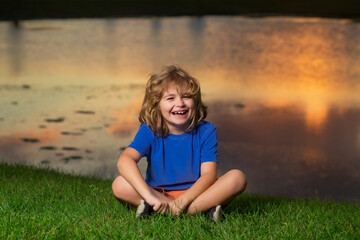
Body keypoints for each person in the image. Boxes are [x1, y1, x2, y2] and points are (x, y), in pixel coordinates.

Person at [112, 65, 247, 221]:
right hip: (159, 193)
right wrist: (149, 195)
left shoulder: (207, 130)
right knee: (120, 185)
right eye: (171, 98)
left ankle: (161, 210)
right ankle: (200, 211)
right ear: (157, 104)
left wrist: (182, 201)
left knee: (237, 177)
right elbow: (124, 161)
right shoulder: (149, 130)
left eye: (186, 96)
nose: (180, 103)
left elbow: (209, 175)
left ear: (195, 101)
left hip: (197, 194)